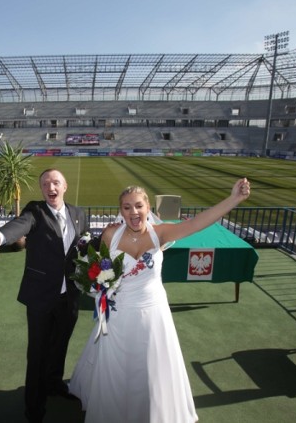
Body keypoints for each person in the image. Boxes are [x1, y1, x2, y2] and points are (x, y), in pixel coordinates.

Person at [68, 178, 251, 423]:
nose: (133, 212)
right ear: (120, 211)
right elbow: (99, 267)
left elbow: (198, 223)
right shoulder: (110, 234)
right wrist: (99, 282)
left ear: (147, 208)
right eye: (127, 207)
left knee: (152, 369)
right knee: (117, 369)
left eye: (138, 206)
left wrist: (234, 199)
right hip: (119, 313)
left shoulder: (161, 234)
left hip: (153, 313)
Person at [0, 168, 88, 423]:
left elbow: (85, 245)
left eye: (56, 182)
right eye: (45, 183)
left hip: (69, 295)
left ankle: (53, 384)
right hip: (41, 297)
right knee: (38, 352)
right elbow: (21, 225)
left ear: (65, 186)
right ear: (42, 189)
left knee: (60, 344)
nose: (51, 187)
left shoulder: (78, 213)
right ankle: (34, 405)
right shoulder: (36, 211)